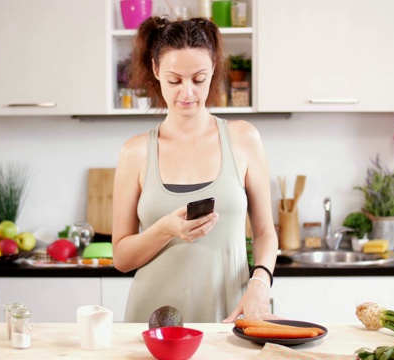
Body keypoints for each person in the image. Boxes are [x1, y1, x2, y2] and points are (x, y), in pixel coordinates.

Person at [112, 16, 278, 324]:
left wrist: (261, 281)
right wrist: (165, 229)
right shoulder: (135, 151)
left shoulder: (244, 139)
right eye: (175, 80)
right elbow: (121, 258)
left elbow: (266, 232)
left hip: (228, 318)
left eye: (198, 79)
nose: (187, 93)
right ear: (156, 69)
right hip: (152, 324)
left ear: (213, 67)